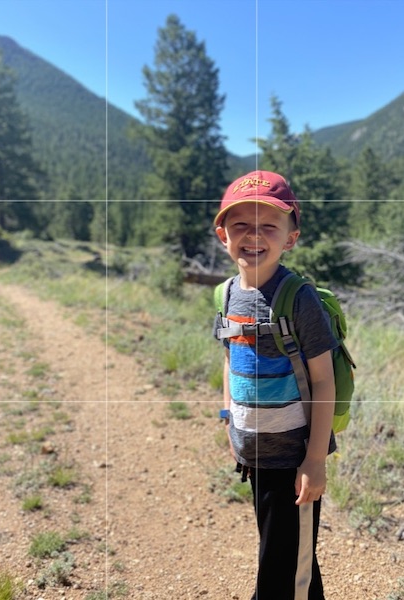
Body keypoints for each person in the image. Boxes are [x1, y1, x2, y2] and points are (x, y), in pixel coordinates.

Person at [214, 170, 337, 600]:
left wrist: (315, 460)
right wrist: (229, 420)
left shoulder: (297, 297)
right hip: (255, 455)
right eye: (241, 225)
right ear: (222, 234)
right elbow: (231, 361)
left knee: (280, 573)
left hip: (293, 458)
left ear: (291, 238)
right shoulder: (227, 295)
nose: (253, 236)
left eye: (268, 226)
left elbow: (324, 380)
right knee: (290, 557)